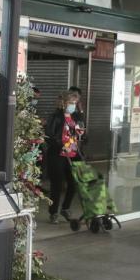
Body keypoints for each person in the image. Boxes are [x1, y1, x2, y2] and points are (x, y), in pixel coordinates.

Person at [44, 90, 84, 224]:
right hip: (58, 155)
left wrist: (82, 135)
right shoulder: (55, 117)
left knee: (73, 183)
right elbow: (49, 136)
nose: (73, 105)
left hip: (72, 154)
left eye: (75, 103)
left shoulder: (76, 117)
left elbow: (81, 134)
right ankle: (53, 212)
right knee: (57, 185)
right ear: (64, 103)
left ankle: (65, 208)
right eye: (71, 103)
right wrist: (60, 144)